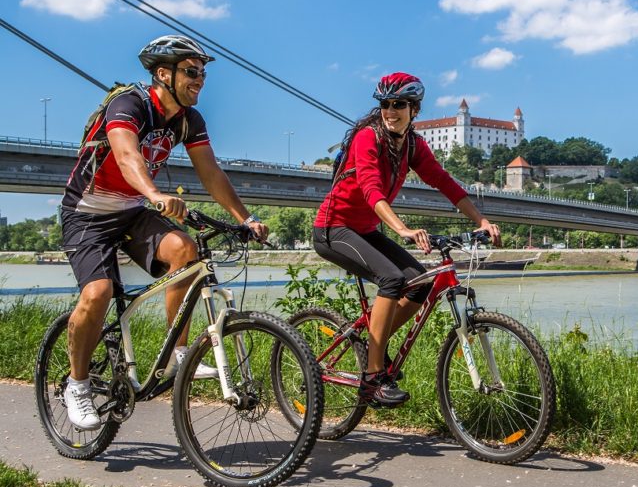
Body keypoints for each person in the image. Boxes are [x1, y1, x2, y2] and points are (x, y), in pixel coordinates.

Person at [60, 34, 268, 430]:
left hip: (133, 212)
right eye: (192, 72)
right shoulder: (130, 104)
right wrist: (155, 193)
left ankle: (179, 354)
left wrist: (244, 217)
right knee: (99, 293)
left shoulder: (189, 120)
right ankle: (78, 384)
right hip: (87, 214)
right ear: (163, 73)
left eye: (203, 74)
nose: (200, 80)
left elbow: (211, 173)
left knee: (184, 251)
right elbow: (126, 155)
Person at [313, 72, 500, 408]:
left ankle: (375, 347)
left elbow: (444, 181)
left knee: (418, 284)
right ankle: (373, 376)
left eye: (399, 104)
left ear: (414, 108)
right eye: (385, 104)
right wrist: (402, 229)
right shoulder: (367, 138)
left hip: (365, 229)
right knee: (393, 279)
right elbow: (370, 188)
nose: (390, 110)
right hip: (333, 229)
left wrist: (481, 220)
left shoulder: (412, 144)